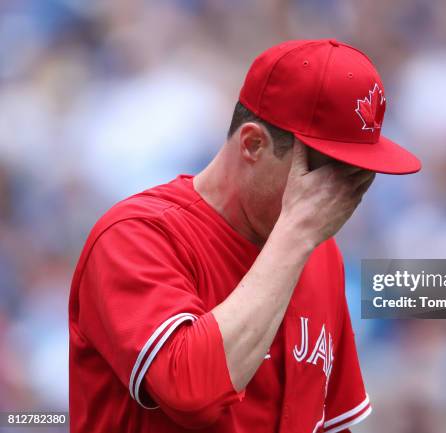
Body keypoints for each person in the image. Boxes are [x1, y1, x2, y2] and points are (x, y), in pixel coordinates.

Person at [68, 39, 420, 433]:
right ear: (253, 144)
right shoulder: (135, 236)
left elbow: (328, 424)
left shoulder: (318, 253)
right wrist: (295, 236)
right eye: (325, 171)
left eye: (355, 175)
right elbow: (189, 392)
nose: (340, 195)